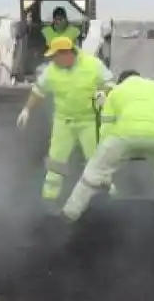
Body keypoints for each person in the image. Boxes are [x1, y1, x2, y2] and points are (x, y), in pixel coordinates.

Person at [60, 70, 154, 231]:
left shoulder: (117, 91)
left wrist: (112, 154)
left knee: (92, 175)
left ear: (121, 81)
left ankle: (69, 214)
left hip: (124, 137)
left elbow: (106, 127)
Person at [17, 35, 115, 205]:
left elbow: (110, 83)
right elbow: (38, 91)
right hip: (63, 122)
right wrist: (27, 110)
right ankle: (50, 198)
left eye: (55, 56)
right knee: (56, 162)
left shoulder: (93, 65)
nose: (53, 60)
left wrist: (103, 93)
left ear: (67, 53)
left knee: (96, 160)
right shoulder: (51, 71)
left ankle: (106, 196)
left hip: (89, 121)